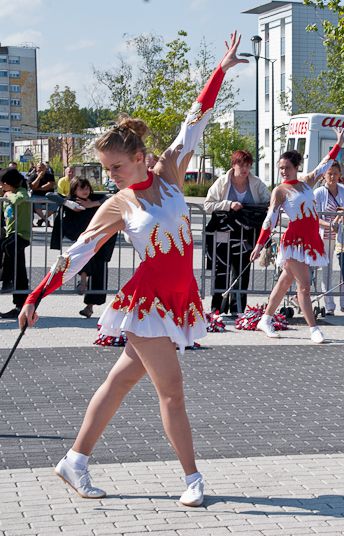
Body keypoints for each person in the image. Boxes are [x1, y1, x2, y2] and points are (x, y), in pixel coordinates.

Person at [18, 31, 247, 507]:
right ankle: (192, 479)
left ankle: (74, 460)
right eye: (106, 170)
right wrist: (37, 295)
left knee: (119, 382)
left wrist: (219, 72)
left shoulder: (169, 172)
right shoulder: (118, 205)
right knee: (173, 393)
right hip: (148, 304)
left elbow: (196, 120)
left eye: (117, 167)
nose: (110, 177)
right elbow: (75, 253)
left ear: (141, 158)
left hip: (177, 297)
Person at [249, 129, 344, 342]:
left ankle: (265, 319)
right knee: (304, 285)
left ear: (296, 167)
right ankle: (314, 329)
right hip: (294, 242)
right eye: (281, 168)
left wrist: (338, 144)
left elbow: (325, 164)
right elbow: (270, 219)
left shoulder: (306, 183)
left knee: (285, 282)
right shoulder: (280, 191)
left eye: (287, 168)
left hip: (310, 239)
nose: (283, 171)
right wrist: (259, 244)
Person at [203, 149, 269, 315]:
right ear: (233, 165)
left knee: (242, 272)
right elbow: (208, 205)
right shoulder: (222, 182)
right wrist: (228, 205)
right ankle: (217, 309)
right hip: (223, 236)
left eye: (248, 165)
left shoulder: (256, 183)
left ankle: (237, 309)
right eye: (241, 164)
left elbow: (269, 202)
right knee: (221, 271)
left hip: (245, 237)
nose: (245, 169)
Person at [51, 177, 117, 318]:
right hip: (83, 240)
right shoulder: (71, 201)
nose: (85, 191)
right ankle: (83, 281)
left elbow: (112, 197)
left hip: (101, 239)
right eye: (81, 188)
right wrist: (66, 203)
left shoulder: (95, 198)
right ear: (74, 190)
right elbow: (49, 195)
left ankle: (89, 306)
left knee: (99, 270)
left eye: (87, 188)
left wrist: (93, 204)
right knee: (83, 259)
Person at [313, 161, 344, 316]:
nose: (332, 176)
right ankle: (329, 305)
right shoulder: (319, 193)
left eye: (335, 173)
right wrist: (329, 225)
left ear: (340, 175)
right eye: (329, 173)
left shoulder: (343, 191)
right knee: (326, 270)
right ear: (324, 175)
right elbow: (315, 216)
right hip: (326, 235)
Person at [0, 167, 32, 318]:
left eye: (3, 184)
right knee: (19, 270)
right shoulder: (7, 193)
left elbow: (19, 199)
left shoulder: (21, 192)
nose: (1, 187)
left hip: (21, 234)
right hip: (12, 233)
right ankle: (20, 305)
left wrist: (8, 194)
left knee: (5, 246)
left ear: (9, 183)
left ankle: (6, 280)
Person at [28, 161, 56, 226]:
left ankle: (42, 219)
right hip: (37, 196)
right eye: (39, 167)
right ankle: (45, 220)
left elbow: (49, 185)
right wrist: (38, 178)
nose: (41, 169)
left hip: (48, 196)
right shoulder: (33, 176)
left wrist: (38, 188)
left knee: (55, 203)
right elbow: (33, 186)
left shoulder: (50, 175)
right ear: (36, 168)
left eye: (43, 167)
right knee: (35, 203)